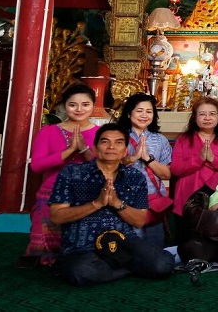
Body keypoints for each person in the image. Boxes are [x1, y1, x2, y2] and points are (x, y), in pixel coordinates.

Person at [49, 123, 175, 286]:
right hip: (82, 245)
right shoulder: (72, 173)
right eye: (105, 141)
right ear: (95, 147)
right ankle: (127, 268)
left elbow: (139, 221)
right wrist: (96, 204)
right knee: (82, 271)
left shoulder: (135, 177)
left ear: (125, 150)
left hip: (123, 241)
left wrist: (117, 203)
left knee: (163, 263)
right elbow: (56, 217)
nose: (111, 147)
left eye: (118, 142)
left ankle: (111, 268)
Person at [24, 83, 99, 267]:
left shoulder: (100, 133)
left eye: (85, 104)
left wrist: (84, 149)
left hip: (86, 191)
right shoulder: (49, 131)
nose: (79, 109)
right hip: (52, 190)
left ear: (93, 106)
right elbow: (37, 165)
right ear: (64, 106)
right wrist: (69, 150)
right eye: (73, 105)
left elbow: (102, 167)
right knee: (48, 241)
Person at [170, 98, 218, 243]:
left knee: (213, 237)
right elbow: (175, 169)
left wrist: (214, 160)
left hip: (217, 194)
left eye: (212, 114)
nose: (207, 118)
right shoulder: (184, 139)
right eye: (202, 114)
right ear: (195, 118)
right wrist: (198, 159)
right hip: (187, 195)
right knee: (186, 241)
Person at [116, 93, 173, 248]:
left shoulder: (159, 140)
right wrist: (132, 158)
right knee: (127, 247)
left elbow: (167, 174)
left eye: (149, 111)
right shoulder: (117, 137)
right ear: (129, 113)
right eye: (139, 110)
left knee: (155, 249)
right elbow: (107, 167)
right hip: (124, 200)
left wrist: (148, 159)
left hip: (153, 201)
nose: (144, 115)